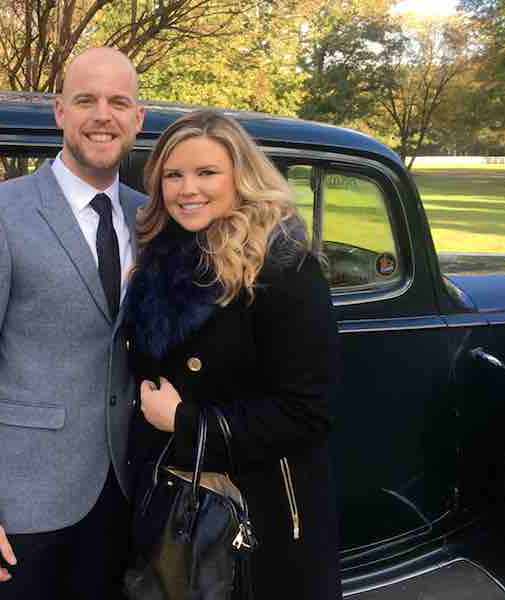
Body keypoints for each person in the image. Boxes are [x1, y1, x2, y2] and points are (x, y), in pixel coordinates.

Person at [0, 47, 146, 600]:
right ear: (60, 112)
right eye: (86, 100)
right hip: (22, 504)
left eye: (118, 101)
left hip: (123, 492)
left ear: (137, 118)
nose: (103, 115)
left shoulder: (151, 216)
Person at [124, 110, 342, 598]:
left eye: (206, 173)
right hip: (179, 501)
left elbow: (308, 413)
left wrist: (185, 421)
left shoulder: (284, 269)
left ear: (240, 178)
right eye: (173, 175)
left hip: (261, 511)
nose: (187, 189)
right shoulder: (161, 261)